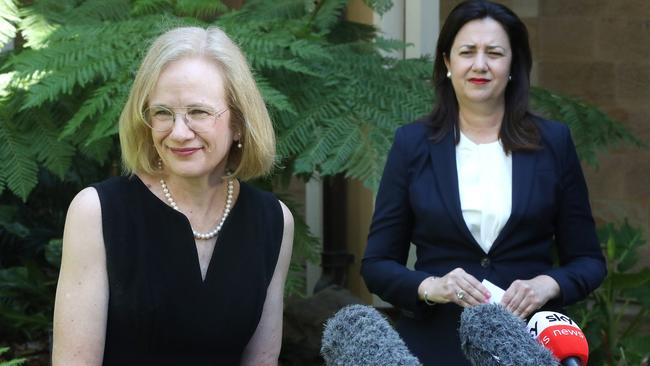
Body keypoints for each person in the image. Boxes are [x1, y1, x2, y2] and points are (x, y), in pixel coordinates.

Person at [360, 1, 606, 365]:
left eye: (494, 53)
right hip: (433, 346)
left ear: (512, 65)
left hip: (526, 345)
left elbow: (587, 260)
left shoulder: (553, 142)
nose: (480, 64)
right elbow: (377, 264)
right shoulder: (412, 144)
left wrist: (546, 285)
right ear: (447, 62)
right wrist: (432, 287)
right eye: (466, 52)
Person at [52, 26, 294, 365]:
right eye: (163, 112)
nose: (179, 133)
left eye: (199, 112)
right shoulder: (97, 212)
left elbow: (262, 361)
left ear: (238, 123)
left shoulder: (273, 220)